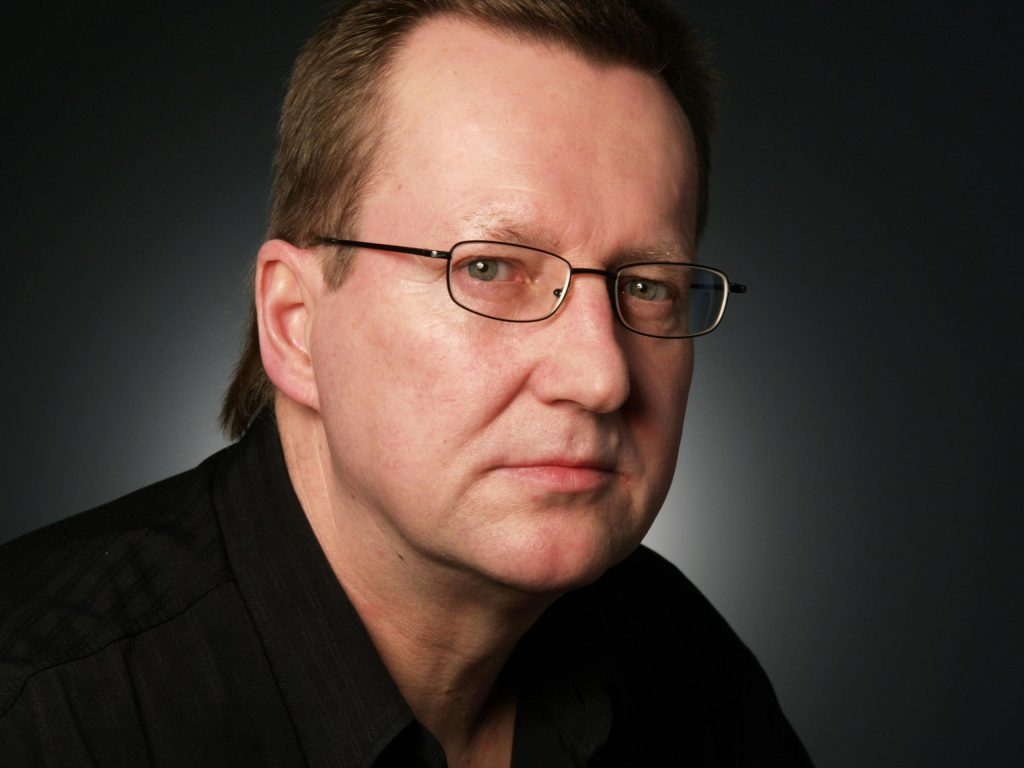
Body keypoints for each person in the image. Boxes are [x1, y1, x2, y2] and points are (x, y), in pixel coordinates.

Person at [0, 1, 813, 765]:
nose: (601, 377)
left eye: (647, 285)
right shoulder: (41, 712)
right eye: (492, 268)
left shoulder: (681, 660)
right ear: (296, 323)